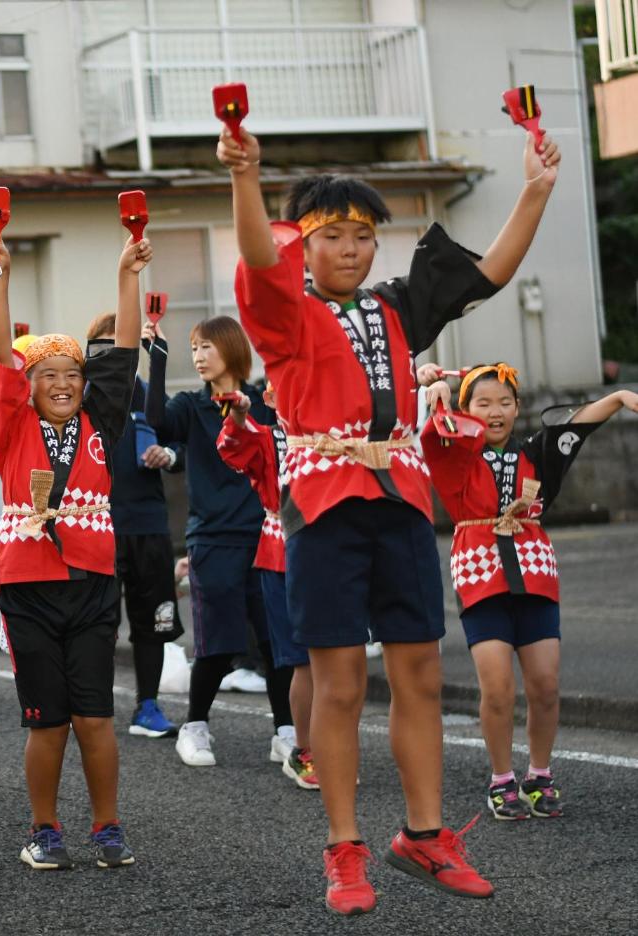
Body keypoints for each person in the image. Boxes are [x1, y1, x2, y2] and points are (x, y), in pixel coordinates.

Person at [221, 112, 560, 912]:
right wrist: (243, 174)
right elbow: (255, 255)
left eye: (365, 234)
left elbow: (489, 273)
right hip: (324, 504)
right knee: (338, 684)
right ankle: (344, 850)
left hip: (403, 499)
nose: (351, 248)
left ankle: (425, 834)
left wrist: (537, 191)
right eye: (334, 234)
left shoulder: (398, 307)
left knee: (418, 673)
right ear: (304, 244)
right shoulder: (285, 315)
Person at [0, 230, 147, 871]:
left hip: (94, 578)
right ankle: (44, 829)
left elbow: (124, 350)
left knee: (95, 717)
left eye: (72, 374)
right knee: (47, 721)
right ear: (29, 385)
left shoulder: (102, 422)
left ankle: (108, 826)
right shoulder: (10, 427)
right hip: (28, 585)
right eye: (48, 375)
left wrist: (125, 273)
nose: (64, 383)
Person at [419, 363, 637, 821]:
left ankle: (539, 775)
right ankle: (502, 779)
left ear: (518, 407)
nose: (495, 411)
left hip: (535, 571)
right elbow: (435, 429)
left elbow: (576, 427)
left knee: (545, 686)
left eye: (504, 402)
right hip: (480, 574)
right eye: (483, 402)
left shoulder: (536, 453)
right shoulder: (458, 452)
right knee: (496, 689)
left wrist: (617, 398)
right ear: (467, 409)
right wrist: (435, 389)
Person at [143, 316, 294, 767]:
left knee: (275, 639)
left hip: (267, 534)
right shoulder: (191, 406)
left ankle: (285, 730)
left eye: (206, 346)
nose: (199, 356)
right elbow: (156, 420)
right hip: (212, 539)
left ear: (230, 348)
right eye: (194, 349)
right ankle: (195, 726)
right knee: (219, 640)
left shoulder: (263, 403)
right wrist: (157, 356)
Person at [85, 314, 183, 739]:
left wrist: (170, 455)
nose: (113, 353)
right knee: (98, 623)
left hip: (148, 524)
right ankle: (94, 707)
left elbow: (176, 435)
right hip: (97, 524)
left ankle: (147, 704)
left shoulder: (148, 395)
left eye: (119, 343)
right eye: (103, 345)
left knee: (152, 622)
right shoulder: (81, 397)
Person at [214, 386, 317, 789]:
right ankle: (305, 749)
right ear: (273, 397)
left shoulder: (334, 437)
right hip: (283, 548)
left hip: (333, 546)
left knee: (339, 657)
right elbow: (232, 447)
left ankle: (334, 745)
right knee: (303, 660)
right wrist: (238, 416)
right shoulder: (266, 435)